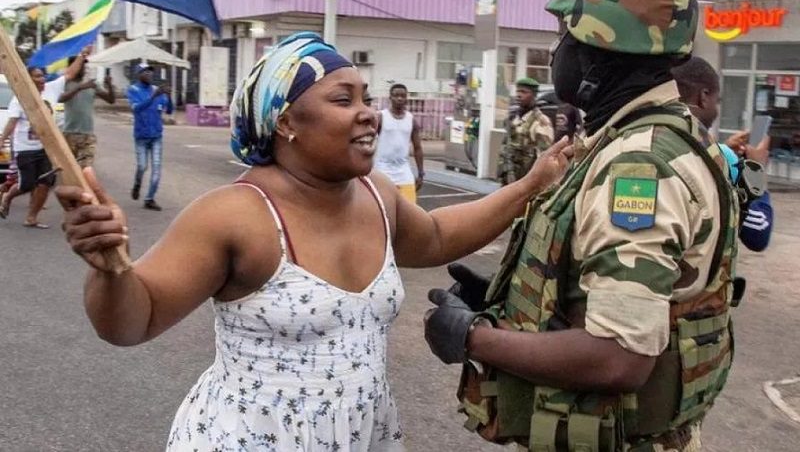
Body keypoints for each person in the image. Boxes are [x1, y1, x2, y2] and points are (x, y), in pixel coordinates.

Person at [55, 32, 573, 451]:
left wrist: (530, 186)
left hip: (362, 434)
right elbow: (132, 322)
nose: (368, 113)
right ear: (286, 122)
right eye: (343, 100)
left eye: (365, 98)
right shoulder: (235, 214)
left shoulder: (377, 194)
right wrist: (110, 269)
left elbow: (435, 236)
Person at [423, 0, 740, 451]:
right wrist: (520, 303)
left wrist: (470, 336)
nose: (557, 52)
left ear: (598, 53)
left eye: (564, 36)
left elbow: (619, 355)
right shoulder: (664, 133)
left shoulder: (638, 166)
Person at [672, 56, 773, 252]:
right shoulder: (721, 156)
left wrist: (721, 149)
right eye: (716, 101)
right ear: (703, 97)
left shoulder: (654, 138)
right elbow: (757, 233)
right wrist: (756, 170)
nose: (716, 110)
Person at [0, 52, 88, 227]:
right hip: (25, 149)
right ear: (29, 79)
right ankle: (7, 196)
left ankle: (31, 217)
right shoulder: (20, 98)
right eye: (37, 76)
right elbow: (12, 122)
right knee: (27, 185)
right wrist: (2, 140)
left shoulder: (51, 89)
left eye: (42, 76)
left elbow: (69, 74)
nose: (42, 79)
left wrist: (81, 56)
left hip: (46, 148)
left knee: (44, 183)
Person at [127, 63, 173, 211]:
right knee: (142, 166)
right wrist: (153, 97)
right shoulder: (133, 90)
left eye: (150, 72)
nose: (149, 74)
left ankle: (149, 199)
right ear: (138, 74)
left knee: (157, 168)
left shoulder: (156, 90)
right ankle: (137, 184)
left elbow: (169, 110)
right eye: (145, 71)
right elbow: (137, 109)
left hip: (156, 136)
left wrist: (169, 95)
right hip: (141, 136)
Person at [59, 56, 116, 168]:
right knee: (69, 169)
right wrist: (80, 88)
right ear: (72, 67)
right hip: (69, 133)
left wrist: (109, 85)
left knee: (86, 168)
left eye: (84, 66)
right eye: (80, 65)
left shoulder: (92, 84)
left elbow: (111, 100)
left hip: (87, 134)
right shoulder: (64, 83)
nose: (83, 68)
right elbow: (60, 99)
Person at [498, 77, 554, 185]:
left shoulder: (540, 121)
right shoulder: (513, 118)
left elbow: (545, 156)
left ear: (534, 95)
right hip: (509, 178)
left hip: (527, 181)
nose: (519, 95)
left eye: (524, 92)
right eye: (518, 91)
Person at [375, 83, 424, 203]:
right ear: (390, 97)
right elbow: (367, 141)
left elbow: (417, 148)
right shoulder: (381, 117)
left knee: (410, 207)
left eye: (403, 96)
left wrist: (421, 173)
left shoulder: (411, 120)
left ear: (406, 98)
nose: (399, 98)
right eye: (396, 95)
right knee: (385, 206)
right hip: (382, 170)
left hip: (403, 171)